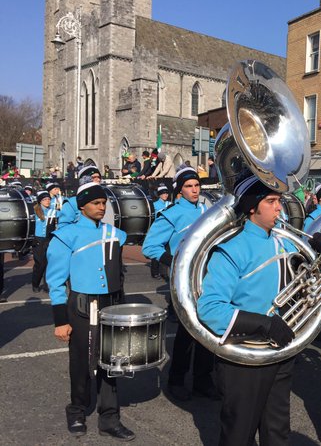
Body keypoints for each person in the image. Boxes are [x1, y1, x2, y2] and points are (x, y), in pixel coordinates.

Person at [197, 175, 305, 446]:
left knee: (277, 430)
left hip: (279, 351)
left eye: (279, 200)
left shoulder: (285, 242)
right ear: (252, 207)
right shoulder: (232, 249)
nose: (279, 207)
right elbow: (210, 309)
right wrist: (264, 324)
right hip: (244, 357)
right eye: (271, 201)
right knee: (238, 433)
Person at [46, 182, 135, 440]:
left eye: (104, 203)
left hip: (111, 304)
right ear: (81, 205)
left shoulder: (114, 233)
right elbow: (55, 282)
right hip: (82, 306)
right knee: (81, 363)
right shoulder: (66, 236)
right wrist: (60, 321)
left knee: (112, 362)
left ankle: (109, 418)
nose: (101, 207)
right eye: (96, 203)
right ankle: (77, 410)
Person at [142, 167, 216, 401]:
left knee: (209, 330)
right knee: (187, 333)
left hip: (208, 276)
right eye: (189, 187)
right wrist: (175, 260)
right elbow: (149, 246)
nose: (195, 190)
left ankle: (203, 380)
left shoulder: (207, 210)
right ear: (180, 191)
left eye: (196, 185)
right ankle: (176, 380)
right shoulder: (171, 214)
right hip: (185, 280)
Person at [32, 191, 60, 293]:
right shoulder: (34, 211)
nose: (47, 201)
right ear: (40, 201)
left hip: (49, 240)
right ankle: (35, 283)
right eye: (45, 199)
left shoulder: (52, 211)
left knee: (49, 264)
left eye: (48, 199)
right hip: (38, 240)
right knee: (40, 264)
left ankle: (46, 285)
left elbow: (65, 214)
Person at [149, 184, 172, 279]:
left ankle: (164, 273)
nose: (165, 195)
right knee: (156, 251)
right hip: (158, 230)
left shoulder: (170, 204)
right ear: (159, 195)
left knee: (166, 252)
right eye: (163, 193)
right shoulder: (155, 205)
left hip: (168, 230)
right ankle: (154, 272)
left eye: (166, 193)